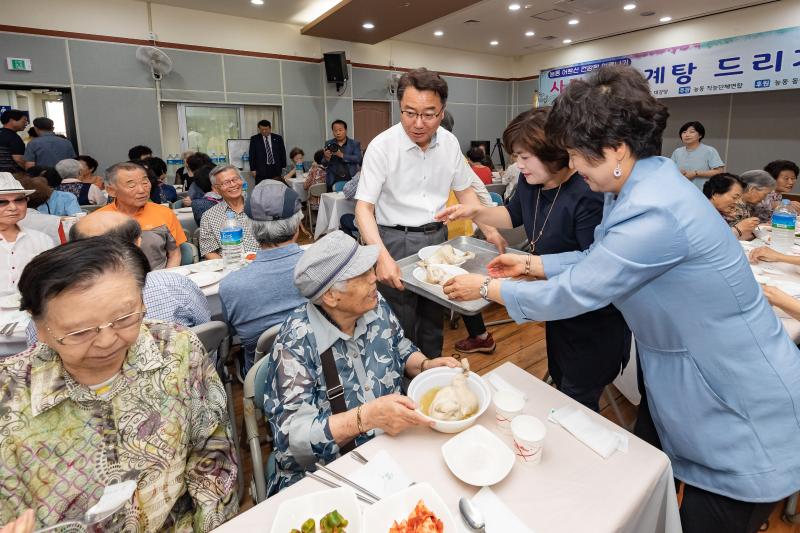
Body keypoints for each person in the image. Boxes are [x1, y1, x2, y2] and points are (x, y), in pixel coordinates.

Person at [443, 65, 800, 533]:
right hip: (688, 382)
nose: (571, 164)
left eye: (575, 154)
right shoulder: (636, 187)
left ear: (614, 149)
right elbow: (599, 259)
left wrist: (488, 288)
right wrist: (531, 264)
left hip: (732, 398)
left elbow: (581, 290)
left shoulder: (654, 210)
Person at [1, 237, 238, 531]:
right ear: (40, 329)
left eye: (125, 318)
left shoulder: (177, 349)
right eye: (80, 332)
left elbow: (212, 452)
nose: (107, 340)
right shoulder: (8, 396)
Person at [438, 108, 631, 411]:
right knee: (560, 375)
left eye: (525, 157)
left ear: (553, 152)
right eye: (516, 156)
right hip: (555, 306)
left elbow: (591, 266)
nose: (518, 165)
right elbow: (512, 215)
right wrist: (473, 211)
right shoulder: (531, 183)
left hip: (592, 317)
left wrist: (517, 273)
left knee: (578, 398)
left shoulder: (588, 193)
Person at [264, 230, 461, 494]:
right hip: (335, 473)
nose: (375, 278)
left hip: (397, 448)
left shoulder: (375, 304)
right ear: (331, 296)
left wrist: (425, 366)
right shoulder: (295, 343)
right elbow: (291, 445)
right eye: (363, 274)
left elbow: (400, 347)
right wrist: (367, 417)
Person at [354, 68, 485, 358]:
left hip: (438, 238)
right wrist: (382, 257)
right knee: (399, 323)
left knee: (433, 319)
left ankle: (431, 376)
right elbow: (363, 208)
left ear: (443, 111)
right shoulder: (382, 146)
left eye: (429, 114)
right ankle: (401, 392)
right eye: (409, 113)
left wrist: (489, 231)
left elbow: (466, 193)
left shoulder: (449, 144)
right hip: (394, 240)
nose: (418, 123)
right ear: (399, 107)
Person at [219, 181, 306, 374]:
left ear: (250, 228)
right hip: (325, 364)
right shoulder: (322, 266)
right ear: (298, 224)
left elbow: (230, 332)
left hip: (266, 375)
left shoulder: (231, 285)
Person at [96, 161, 186, 270]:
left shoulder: (164, 213)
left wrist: (165, 279)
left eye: (145, 183)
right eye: (131, 185)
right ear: (111, 191)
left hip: (159, 278)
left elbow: (174, 254)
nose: (142, 190)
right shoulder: (97, 220)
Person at [0, 173, 54, 295]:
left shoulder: (41, 239)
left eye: (19, 200)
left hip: (30, 310)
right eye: (2, 202)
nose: (13, 207)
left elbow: (51, 279)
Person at [198, 164, 258, 260]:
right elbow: (209, 251)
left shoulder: (260, 205)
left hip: (264, 263)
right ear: (215, 189)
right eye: (226, 183)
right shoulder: (209, 216)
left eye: (235, 179)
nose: (233, 185)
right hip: (232, 266)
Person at [702, 173, 759, 240]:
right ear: (715, 194)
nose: (738, 202)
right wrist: (738, 229)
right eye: (734, 197)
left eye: (739, 198)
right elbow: (710, 241)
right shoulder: (700, 213)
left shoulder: (716, 211)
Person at [669, 120, 725, 190]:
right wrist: (677, 172)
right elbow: (670, 170)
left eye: (692, 132)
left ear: (700, 135)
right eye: (684, 132)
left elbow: (719, 172)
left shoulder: (709, 150)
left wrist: (696, 173)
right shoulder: (677, 152)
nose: (687, 135)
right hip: (680, 191)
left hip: (702, 191)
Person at [324, 119, 362, 191]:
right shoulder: (329, 143)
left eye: (340, 130)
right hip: (333, 179)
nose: (338, 133)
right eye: (335, 131)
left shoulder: (354, 144)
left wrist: (342, 155)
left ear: (346, 130)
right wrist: (327, 158)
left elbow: (358, 158)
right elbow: (324, 163)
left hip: (350, 179)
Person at [248, 119, 286, 184]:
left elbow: (282, 153)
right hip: (261, 169)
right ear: (259, 129)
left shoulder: (278, 138)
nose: (264, 131)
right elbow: (252, 155)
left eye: (266, 129)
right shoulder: (255, 139)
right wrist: (253, 169)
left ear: (270, 128)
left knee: (276, 187)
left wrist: (283, 167)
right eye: (262, 129)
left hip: (275, 168)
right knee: (262, 188)